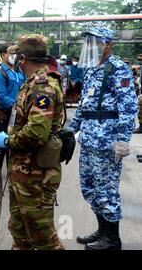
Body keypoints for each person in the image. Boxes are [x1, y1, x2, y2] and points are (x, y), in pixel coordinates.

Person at [0, 34, 65, 250]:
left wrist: (8, 141)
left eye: (16, 56)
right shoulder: (30, 84)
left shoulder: (42, 87)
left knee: (43, 237)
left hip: (36, 176)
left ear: (22, 58)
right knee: (20, 232)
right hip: (23, 173)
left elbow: (37, 133)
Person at [68, 27, 138, 250]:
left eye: (94, 42)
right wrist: (71, 128)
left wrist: (122, 139)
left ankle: (112, 239)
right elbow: (83, 105)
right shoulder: (90, 69)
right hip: (88, 139)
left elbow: (128, 107)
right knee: (89, 188)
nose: (89, 46)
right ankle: (102, 231)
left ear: (107, 44)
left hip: (107, 141)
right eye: (88, 42)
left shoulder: (118, 69)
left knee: (106, 190)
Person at [0, 44, 25, 166]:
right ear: (3, 55)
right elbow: (2, 97)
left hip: (18, 114)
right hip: (5, 115)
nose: (14, 56)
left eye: (15, 53)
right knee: (1, 147)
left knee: (15, 145)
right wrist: (18, 106)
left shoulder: (18, 72)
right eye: (11, 53)